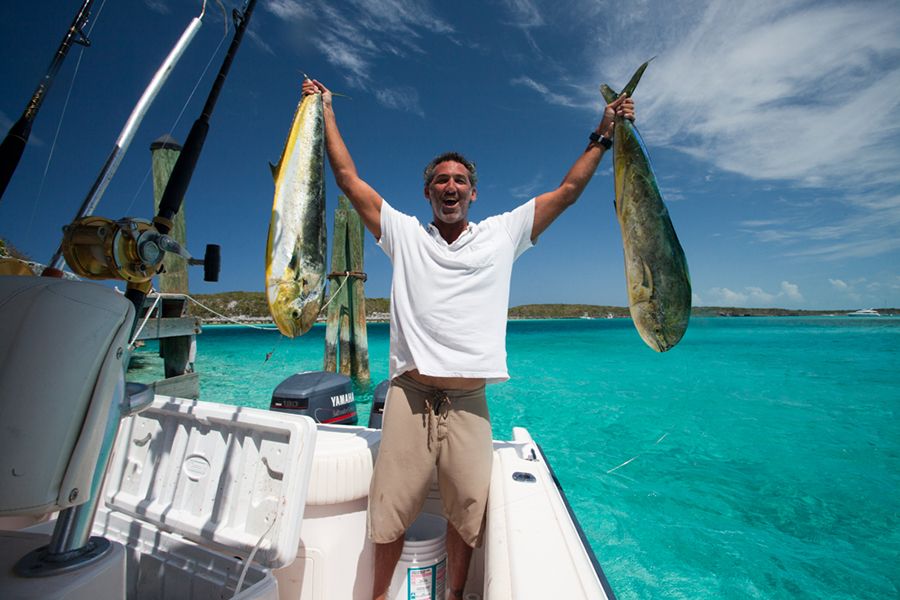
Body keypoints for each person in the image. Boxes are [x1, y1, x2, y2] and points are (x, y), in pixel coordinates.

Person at [301, 77, 634, 600]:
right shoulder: (405, 236)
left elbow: (568, 193)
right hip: (409, 397)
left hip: (469, 401)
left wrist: (603, 134)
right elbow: (346, 178)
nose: (451, 187)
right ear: (427, 191)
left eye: (459, 180)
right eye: (440, 180)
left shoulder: (503, 235)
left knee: (468, 513)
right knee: (388, 513)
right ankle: (376, 596)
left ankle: (454, 597)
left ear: (473, 192)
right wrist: (325, 111)